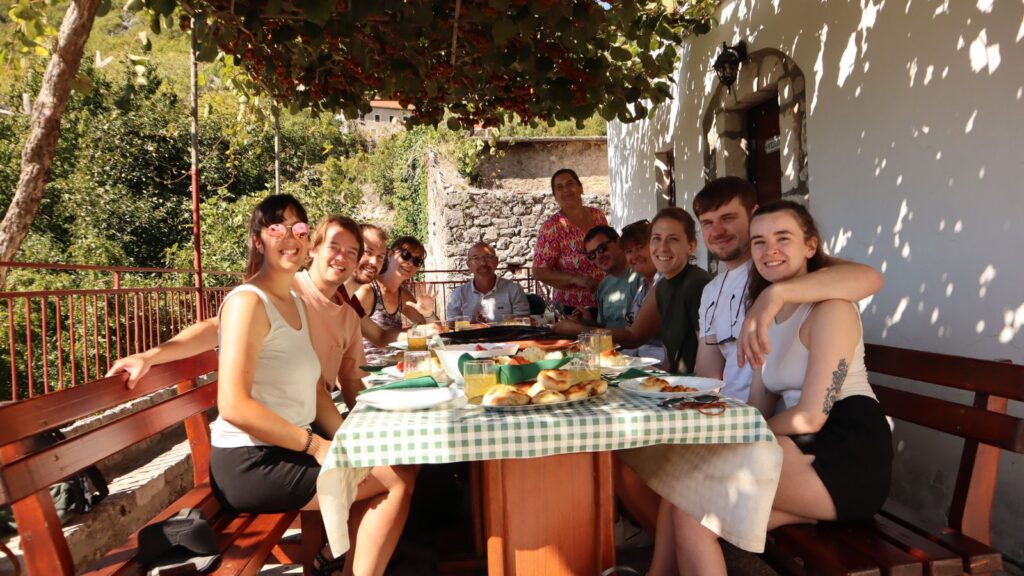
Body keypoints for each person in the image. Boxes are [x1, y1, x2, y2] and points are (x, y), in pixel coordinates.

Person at [107, 204, 415, 576]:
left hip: (286, 441)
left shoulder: (296, 304)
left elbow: (322, 388)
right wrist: (153, 355)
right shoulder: (256, 298)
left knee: (396, 473)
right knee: (394, 480)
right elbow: (219, 343)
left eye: (298, 229)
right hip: (254, 458)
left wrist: (351, 438)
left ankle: (340, 564)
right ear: (260, 241)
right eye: (277, 230)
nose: (290, 238)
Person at [649, 201, 893, 576]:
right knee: (688, 504)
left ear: (810, 246)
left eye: (783, 238)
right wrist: (709, 427)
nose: (769, 250)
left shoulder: (832, 310)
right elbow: (760, 408)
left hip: (844, 455)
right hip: (802, 450)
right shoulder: (766, 317)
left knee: (689, 486)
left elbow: (812, 416)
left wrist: (734, 433)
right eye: (759, 241)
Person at [692, 177, 884, 401]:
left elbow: (869, 278)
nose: (717, 231)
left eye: (728, 218)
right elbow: (707, 374)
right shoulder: (711, 291)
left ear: (754, 214)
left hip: (786, 418)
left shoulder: (782, 267)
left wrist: (773, 295)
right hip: (740, 414)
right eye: (707, 223)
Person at [532, 168, 608, 316]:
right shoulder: (552, 227)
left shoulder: (598, 216)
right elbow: (539, 272)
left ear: (580, 188)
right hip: (572, 309)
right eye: (559, 187)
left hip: (605, 300)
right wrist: (576, 279)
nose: (566, 190)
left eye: (570, 183)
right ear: (555, 196)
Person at [355, 236, 436, 364]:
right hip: (369, 369)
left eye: (416, 261)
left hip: (397, 367)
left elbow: (433, 329)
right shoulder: (368, 291)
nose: (410, 263)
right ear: (391, 254)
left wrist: (428, 313)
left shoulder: (403, 295)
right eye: (405, 255)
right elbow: (343, 336)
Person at [552, 225, 642, 334]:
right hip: (610, 349)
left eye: (602, 248)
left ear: (618, 242)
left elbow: (634, 336)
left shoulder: (639, 276)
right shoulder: (604, 285)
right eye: (592, 255)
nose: (598, 256)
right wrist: (587, 323)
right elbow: (605, 328)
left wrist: (580, 330)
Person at [446, 241, 530, 322]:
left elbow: (523, 324)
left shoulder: (514, 290)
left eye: (488, 257)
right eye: (476, 258)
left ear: (496, 262)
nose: (483, 262)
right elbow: (452, 326)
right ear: (469, 265)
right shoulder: (459, 294)